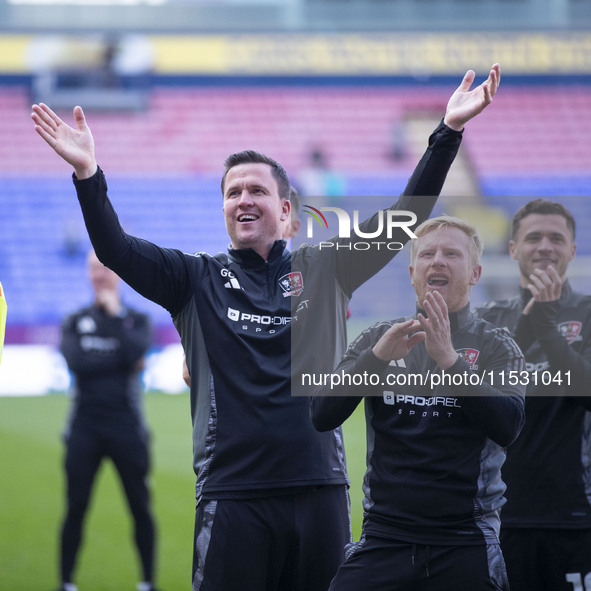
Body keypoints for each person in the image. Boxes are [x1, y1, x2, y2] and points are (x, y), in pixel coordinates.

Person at [31, 63, 500, 591]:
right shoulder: (193, 278)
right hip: (232, 496)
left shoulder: (327, 268)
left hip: (319, 492)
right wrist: (89, 175)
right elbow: (115, 248)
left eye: (256, 190)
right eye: (232, 193)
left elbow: (402, 220)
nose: (243, 200)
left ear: (284, 208)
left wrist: (448, 133)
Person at [311, 216, 526, 591]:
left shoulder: (497, 345)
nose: (437, 260)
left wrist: (450, 360)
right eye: (427, 254)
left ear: (475, 273)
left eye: (451, 254)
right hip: (385, 538)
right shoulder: (380, 338)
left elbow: (509, 426)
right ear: (413, 272)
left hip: (465, 540)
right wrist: (374, 360)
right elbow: (321, 414)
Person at [475, 199, 591, 591]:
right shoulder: (489, 318)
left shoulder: (589, 314)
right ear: (513, 249)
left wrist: (548, 328)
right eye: (534, 237)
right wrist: (533, 320)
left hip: (575, 516)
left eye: (556, 238)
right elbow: (472, 399)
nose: (545, 246)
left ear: (572, 250)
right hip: (496, 515)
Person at [57, 251, 158, 591]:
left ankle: (147, 582)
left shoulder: (137, 318)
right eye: (93, 268)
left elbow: (136, 352)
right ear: (87, 274)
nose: (99, 274)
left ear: (117, 272)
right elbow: (76, 363)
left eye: (105, 267)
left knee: (140, 508)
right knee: (76, 507)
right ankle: (66, 582)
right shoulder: (74, 319)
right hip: (83, 427)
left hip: (127, 427)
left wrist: (115, 317)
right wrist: (120, 357)